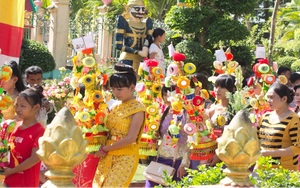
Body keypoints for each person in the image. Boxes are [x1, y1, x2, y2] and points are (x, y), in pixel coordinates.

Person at [93, 64, 145, 187]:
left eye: (120, 89)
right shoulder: (114, 106)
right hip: (107, 154)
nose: (115, 92)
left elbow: (131, 138)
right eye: (113, 89)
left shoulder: (138, 110)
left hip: (125, 157)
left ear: (132, 88)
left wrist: (104, 149)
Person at [145, 85, 190, 188]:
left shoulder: (186, 114)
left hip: (177, 160)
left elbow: (190, 141)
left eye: (170, 94)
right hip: (160, 158)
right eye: (164, 94)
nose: (167, 98)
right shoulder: (163, 111)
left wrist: (184, 164)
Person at [2, 85, 46, 188]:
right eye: (16, 105)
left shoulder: (39, 132)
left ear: (36, 107)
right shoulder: (13, 126)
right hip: (8, 182)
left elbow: (34, 159)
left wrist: (12, 171)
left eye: (23, 106)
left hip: (27, 184)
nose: (18, 109)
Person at [257, 83, 300, 171]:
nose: (268, 100)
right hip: (261, 169)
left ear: (284, 99)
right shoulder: (265, 117)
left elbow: (297, 148)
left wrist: (268, 153)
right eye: (267, 97)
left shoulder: (294, 119)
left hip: (284, 172)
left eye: (272, 97)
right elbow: (256, 139)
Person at [206, 74, 236, 166]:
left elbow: (235, 136)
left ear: (233, 89)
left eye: (222, 87)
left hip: (230, 155)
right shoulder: (212, 109)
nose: (217, 90)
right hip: (211, 152)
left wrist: (219, 155)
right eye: (216, 86)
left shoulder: (236, 110)